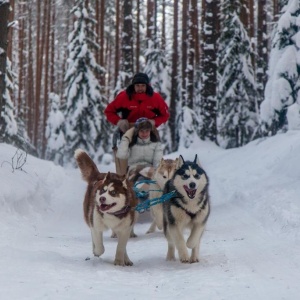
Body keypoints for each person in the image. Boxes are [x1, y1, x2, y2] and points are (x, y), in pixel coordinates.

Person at [105, 72, 169, 174]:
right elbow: (109, 111)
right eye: (137, 85)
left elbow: (165, 114)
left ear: (147, 86)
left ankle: (154, 176)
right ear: (133, 86)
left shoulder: (155, 98)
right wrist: (119, 121)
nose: (140, 88)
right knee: (125, 156)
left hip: (148, 129)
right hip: (128, 129)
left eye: (143, 86)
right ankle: (123, 177)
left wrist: (154, 122)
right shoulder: (123, 97)